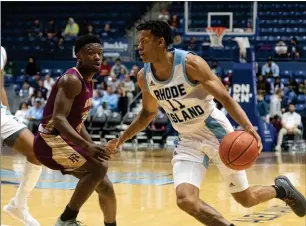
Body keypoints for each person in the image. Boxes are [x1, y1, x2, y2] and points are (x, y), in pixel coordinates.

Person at [106, 21, 306, 225]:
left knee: (245, 199)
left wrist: (248, 128)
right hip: (187, 139)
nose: (139, 46)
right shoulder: (144, 77)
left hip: (216, 132)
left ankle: (281, 190)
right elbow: (148, 113)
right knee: (185, 200)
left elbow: (225, 98)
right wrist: (121, 139)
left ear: (160, 42)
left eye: (144, 41)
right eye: (138, 42)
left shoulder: (190, 64)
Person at [32, 35, 117, 226]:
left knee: (106, 186)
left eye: (99, 53)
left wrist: (91, 145)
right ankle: (66, 219)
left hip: (64, 141)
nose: (97, 57)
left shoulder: (89, 82)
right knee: (99, 168)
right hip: (49, 142)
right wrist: (87, 146)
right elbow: (59, 119)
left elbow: (78, 123)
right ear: (79, 55)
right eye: (91, 53)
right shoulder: (72, 79)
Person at [1, 47, 42, 226]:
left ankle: (18, 204)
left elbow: (0, 86)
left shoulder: (1, 51)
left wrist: (7, 112)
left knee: (36, 152)